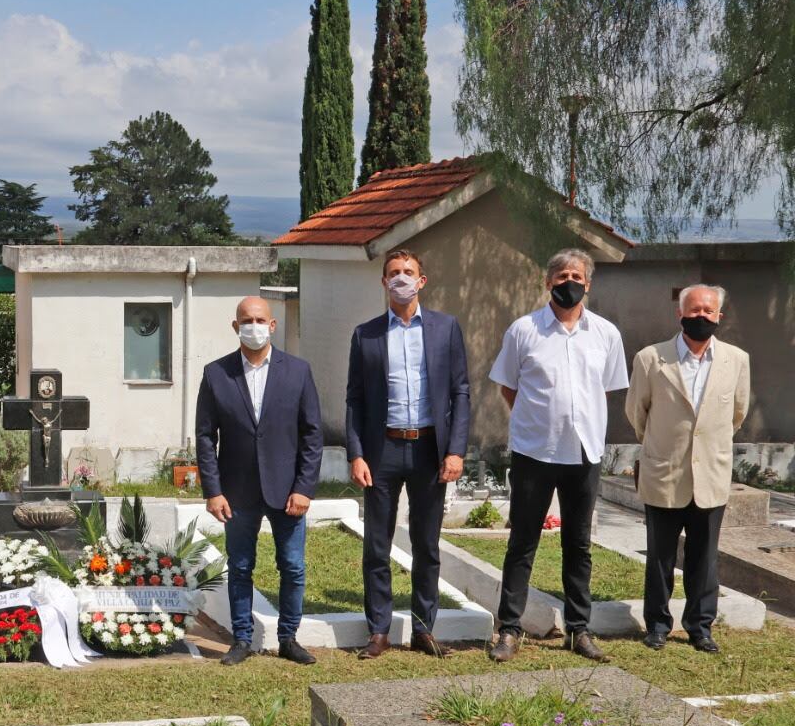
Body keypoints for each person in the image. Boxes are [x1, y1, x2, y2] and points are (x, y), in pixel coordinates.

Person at [487, 248, 628, 663]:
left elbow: (601, 390)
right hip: (535, 451)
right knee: (522, 542)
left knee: (578, 544)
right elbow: (508, 386)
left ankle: (578, 630)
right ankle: (509, 630)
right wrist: (539, 421)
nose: (570, 282)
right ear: (548, 282)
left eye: (577, 275)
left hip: (584, 452)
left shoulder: (606, 333)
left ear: (589, 283)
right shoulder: (523, 330)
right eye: (562, 275)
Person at [345, 248, 471, 660]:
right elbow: (355, 399)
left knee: (426, 544)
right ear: (384, 282)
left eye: (408, 272)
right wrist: (356, 453)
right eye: (394, 273)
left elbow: (460, 392)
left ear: (422, 281)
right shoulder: (365, 334)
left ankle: (423, 628)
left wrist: (455, 450)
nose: (401, 278)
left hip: (429, 450)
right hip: (381, 450)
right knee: (377, 547)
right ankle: (379, 630)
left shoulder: (445, 328)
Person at [196, 296, 323, 666]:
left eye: (260, 319)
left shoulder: (297, 371)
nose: (253, 325)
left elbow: (312, 434)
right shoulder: (216, 373)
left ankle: (289, 638)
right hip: (237, 492)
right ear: (236, 327)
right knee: (239, 567)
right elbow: (206, 436)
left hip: (287, 492)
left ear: (273, 325)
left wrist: (304, 488)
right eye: (246, 320)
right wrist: (213, 490)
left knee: (293, 566)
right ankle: (241, 639)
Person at [625, 284, 750, 653]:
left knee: (704, 557)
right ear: (679, 315)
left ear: (719, 317)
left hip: (710, 474)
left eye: (708, 312)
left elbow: (737, 414)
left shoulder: (736, 360)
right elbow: (637, 413)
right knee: (660, 556)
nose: (701, 317)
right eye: (694, 311)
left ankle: (700, 627)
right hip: (665, 471)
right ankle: (658, 625)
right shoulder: (651, 359)